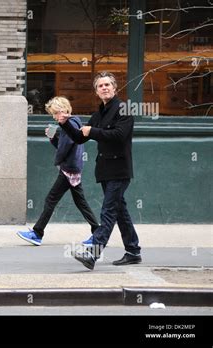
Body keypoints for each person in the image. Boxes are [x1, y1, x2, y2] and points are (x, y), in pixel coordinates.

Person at [58, 71, 142, 270]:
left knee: (108, 211)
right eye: (100, 86)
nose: (104, 88)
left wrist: (92, 131)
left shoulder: (124, 109)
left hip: (120, 169)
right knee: (120, 211)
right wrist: (66, 123)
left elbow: (120, 135)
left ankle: (93, 253)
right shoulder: (99, 114)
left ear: (114, 87)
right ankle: (133, 251)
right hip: (104, 170)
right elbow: (80, 138)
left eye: (107, 85)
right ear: (96, 91)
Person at [17, 96, 99, 246]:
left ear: (63, 110)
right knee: (80, 202)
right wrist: (54, 138)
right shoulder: (74, 123)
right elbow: (65, 145)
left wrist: (58, 158)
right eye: (53, 114)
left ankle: (37, 233)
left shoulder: (70, 124)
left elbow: (65, 148)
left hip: (68, 169)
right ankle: (98, 232)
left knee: (51, 199)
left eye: (55, 113)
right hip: (73, 168)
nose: (54, 117)